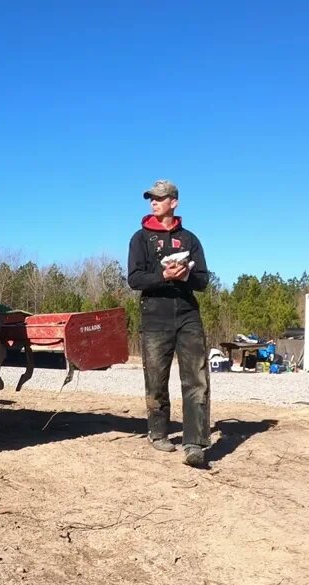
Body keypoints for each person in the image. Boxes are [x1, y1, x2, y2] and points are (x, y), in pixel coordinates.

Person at [127, 179, 212, 467]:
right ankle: (158, 432)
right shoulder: (140, 238)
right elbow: (134, 279)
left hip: (188, 314)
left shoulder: (190, 239)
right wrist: (163, 276)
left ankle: (195, 443)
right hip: (154, 315)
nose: (154, 202)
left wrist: (185, 275)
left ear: (173, 202)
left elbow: (203, 279)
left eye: (160, 198)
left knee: (196, 379)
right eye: (151, 198)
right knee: (156, 380)